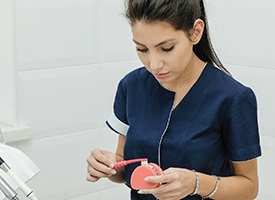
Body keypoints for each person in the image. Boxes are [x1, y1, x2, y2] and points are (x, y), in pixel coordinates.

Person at [86, 0, 261, 199]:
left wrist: (196, 183)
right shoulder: (131, 87)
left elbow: (249, 187)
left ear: (196, 32)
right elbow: (124, 165)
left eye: (167, 48)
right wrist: (108, 166)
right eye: (142, 49)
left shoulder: (233, 98)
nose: (154, 65)